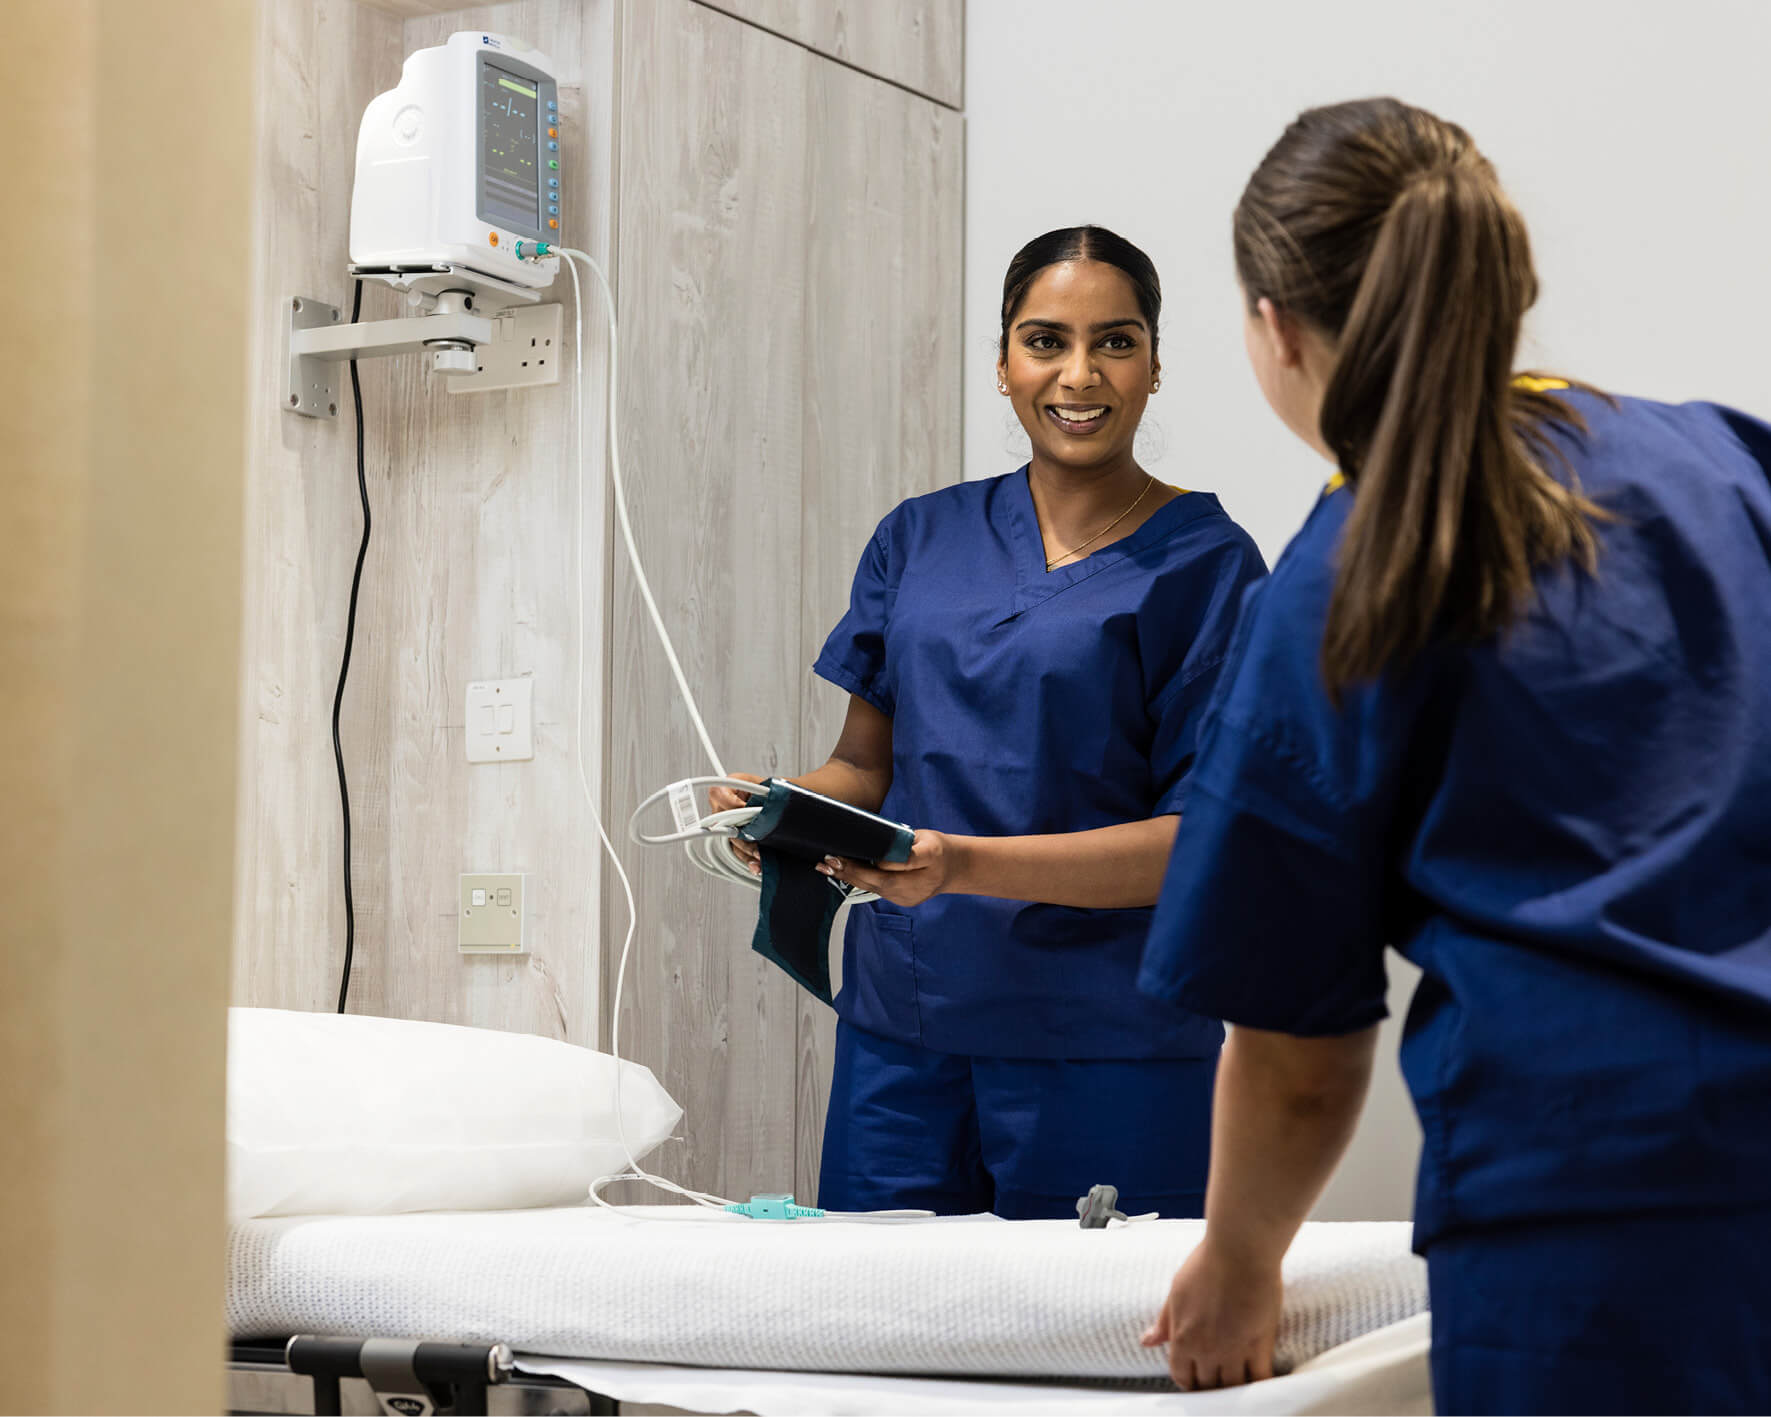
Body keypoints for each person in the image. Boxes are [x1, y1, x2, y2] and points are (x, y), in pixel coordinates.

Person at [1135, 98, 1771, 1414]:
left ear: (1274, 329)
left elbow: (1300, 1060)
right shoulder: (1717, 465)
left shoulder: (1344, 575)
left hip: (1585, 1228)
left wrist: (1236, 1261)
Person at [712, 225, 1267, 1220]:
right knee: (880, 1343)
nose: (1079, 373)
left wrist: (960, 866)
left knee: (1091, 1351)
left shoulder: (1207, 566)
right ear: (1003, 365)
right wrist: (787, 810)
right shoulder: (918, 537)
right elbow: (861, 767)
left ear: (1152, 367)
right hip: (903, 1032)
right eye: (1045, 340)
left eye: (1116, 341)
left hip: (1108, 1045)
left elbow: (1204, 845)